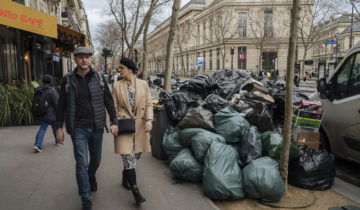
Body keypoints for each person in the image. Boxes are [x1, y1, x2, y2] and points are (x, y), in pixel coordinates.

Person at [55, 47, 118, 210]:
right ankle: (86, 198)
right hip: (78, 129)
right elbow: (61, 104)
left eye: (87, 57)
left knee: (96, 161)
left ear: (91, 59)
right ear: (75, 60)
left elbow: (109, 101)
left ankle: (91, 177)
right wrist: (58, 127)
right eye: (80, 57)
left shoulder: (99, 77)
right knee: (81, 163)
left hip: (97, 126)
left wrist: (114, 120)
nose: (84, 60)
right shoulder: (68, 79)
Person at [112, 57, 153, 205]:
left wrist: (149, 120)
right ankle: (136, 193)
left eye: (121, 67)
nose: (119, 70)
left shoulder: (144, 84)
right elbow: (113, 107)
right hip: (124, 127)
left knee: (135, 157)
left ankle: (125, 177)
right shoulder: (117, 85)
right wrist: (113, 123)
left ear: (130, 69)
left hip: (140, 128)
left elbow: (148, 103)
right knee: (129, 159)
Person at [33, 74, 60, 153]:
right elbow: (56, 103)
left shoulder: (38, 89)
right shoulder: (52, 90)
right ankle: (58, 141)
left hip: (41, 112)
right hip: (51, 113)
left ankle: (37, 145)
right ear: (51, 81)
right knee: (55, 126)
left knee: (42, 128)